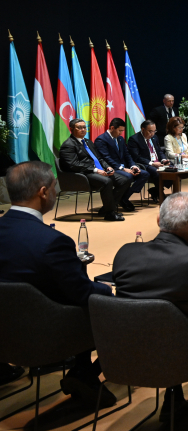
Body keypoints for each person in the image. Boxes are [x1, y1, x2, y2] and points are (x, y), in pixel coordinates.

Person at [0, 162, 116, 406]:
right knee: (113, 306)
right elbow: (82, 293)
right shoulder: (52, 242)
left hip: (6, 335)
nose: (55, 192)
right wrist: (108, 290)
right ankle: (85, 373)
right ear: (43, 192)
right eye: (54, 187)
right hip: (46, 335)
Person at [112, 192, 188, 422]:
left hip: (124, 351)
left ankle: (175, 398)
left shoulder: (124, 254)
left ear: (158, 220)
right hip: (182, 353)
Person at [59, 118, 131, 221]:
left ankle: (106, 209)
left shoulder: (88, 142)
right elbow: (73, 165)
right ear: (72, 129)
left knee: (124, 180)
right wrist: (95, 170)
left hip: (99, 170)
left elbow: (99, 158)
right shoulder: (68, 145)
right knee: (107, 182)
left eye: (84, 127)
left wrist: (107, 167)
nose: (83, 129)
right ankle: (110, 213)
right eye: (79, 128)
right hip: (83, 174)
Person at [94, 117, 149, 211]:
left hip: (123, 167)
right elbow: (106, 158)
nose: (121, 133)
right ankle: (113, 203)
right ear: (112, 128)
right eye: (119, 131)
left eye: (122, 131)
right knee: (128, 176)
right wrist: (122, 169)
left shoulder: (120, 139)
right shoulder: (101, 140)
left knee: (144, 174)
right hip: (112, 168)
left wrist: (133, 166)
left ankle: (123, 198)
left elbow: (127, 154)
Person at [128, 119, 171, 201]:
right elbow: (136, 157)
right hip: (146, 164)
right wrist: (152, 163)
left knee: (173, 168)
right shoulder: (134, 139)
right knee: (157, 172)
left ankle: (155, 190)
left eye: (154, 131)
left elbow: (159, 151)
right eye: (150, 131)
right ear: (143, 129)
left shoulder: (154, 137)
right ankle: (160, 193)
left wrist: (163, 160)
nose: (152, 134)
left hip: (158, 162)